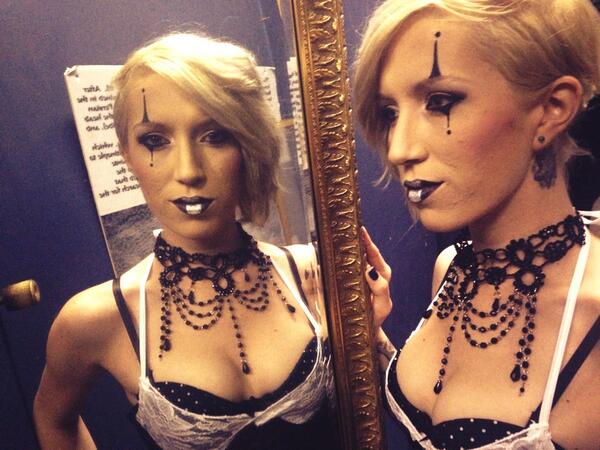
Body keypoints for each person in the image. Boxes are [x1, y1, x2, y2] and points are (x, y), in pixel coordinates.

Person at [33, 32, 335, 450]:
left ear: (248, 144)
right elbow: (53, 419)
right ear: (127, 155)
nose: (189, 170)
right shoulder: (97, 319)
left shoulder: (313, 272)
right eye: (155, 141)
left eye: (215, 136)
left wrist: (370, 334)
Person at [354, 1, 600, 449]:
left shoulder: (594, 310)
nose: (399, 149)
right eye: (390, 112)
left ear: (551, 108)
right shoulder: (451, 267)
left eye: (440, 102)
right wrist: (370, 334)